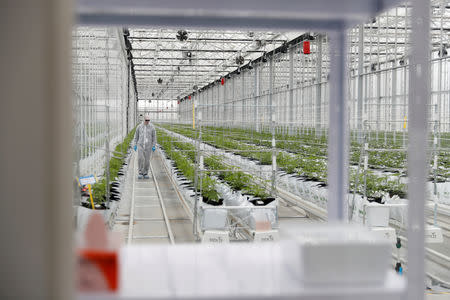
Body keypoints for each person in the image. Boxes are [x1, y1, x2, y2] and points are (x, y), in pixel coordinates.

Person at [133, 114, 156, 179]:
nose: (147, 121)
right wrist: (135, 145)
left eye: (148, 120)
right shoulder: (139, 127)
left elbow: (154, 137)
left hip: (148, 146)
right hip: (140, 145)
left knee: (147, 160)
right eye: (146, 120)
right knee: (140, 159)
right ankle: (140, 172)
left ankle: (145, 173)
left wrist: (154, 145)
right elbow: (136, 136)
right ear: (144, 119)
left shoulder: (152, 127)